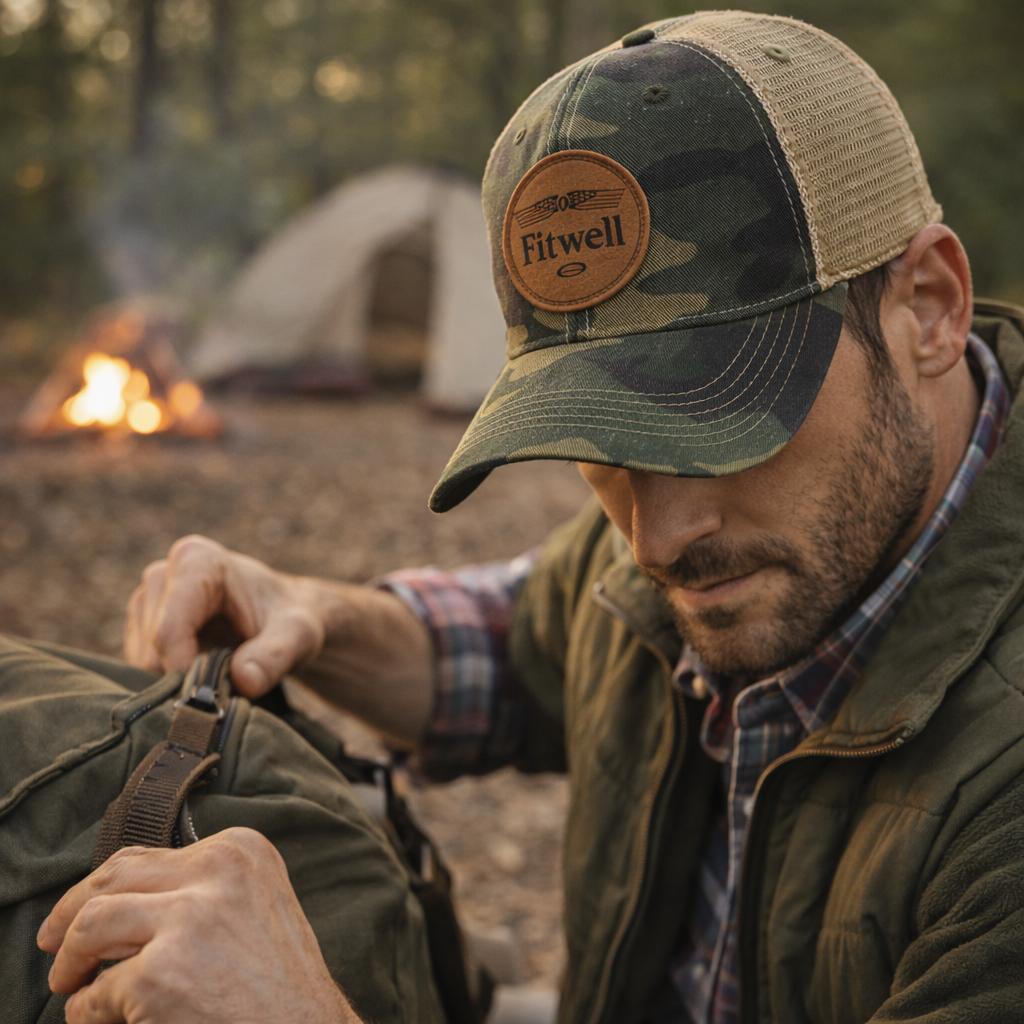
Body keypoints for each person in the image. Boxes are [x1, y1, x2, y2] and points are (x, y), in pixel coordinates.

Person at [37, 11, 1024, 1024]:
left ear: (929, 306)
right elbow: (524, 640)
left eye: (723, 418)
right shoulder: (737, 543)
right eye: (604, 435)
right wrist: (311, 613)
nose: (655, 537)